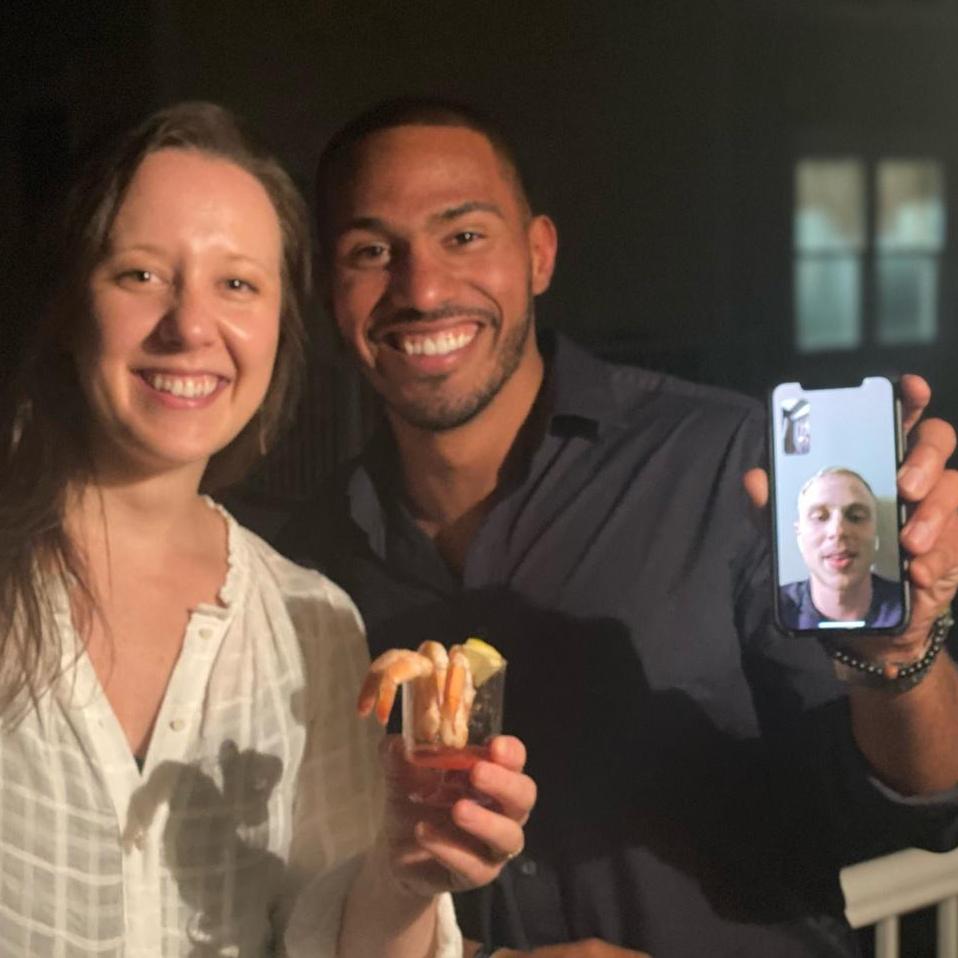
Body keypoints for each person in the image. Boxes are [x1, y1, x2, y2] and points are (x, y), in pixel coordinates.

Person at [274, 97, 958, 958]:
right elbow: (316, 880)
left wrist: (899, 657)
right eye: (371, 251)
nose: (422, 288)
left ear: (539, 254)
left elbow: (918, 798)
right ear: (329, 292)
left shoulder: (721, 461)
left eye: (464, 235)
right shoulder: (305, 562)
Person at [0, 101, 536, 958]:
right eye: (140, 274)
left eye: (238, 284)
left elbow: (330, 941)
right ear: (69, 302)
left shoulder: (309, 623)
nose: (191, 326)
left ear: (282, 328)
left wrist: (402, 874)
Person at [779, 467, 904, 630]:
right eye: (820, 517)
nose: (838, 531)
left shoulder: (908, 606)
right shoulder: (772, 609)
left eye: (856, 517)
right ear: (799, 535)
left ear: (876, 530)